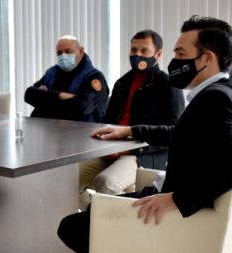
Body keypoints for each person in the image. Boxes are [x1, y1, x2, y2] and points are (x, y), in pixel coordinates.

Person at [57, 16, 232, 253]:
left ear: (206, 57)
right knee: (97, 212)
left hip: (181, 218)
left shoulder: (214, 100)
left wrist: (176, 199)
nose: (174, 61)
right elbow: (186, 134)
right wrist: (133, 130)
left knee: (72, 227)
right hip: (196, 209)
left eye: (180, 53)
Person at [78, 30, 184, 203]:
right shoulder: (122, 83)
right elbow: (109, 122)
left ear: (158, 54)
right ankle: (92, 220)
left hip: (145, 154)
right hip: (112, 150)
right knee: (68, 179)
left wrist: (130, 147)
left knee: (105, 182)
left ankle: (104, 223)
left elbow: (174, 132)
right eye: (134, 50)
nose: (137, 55)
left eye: (144, 51)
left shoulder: (169, 85)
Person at [24, 35, 108, 122]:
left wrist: (45, 98)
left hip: (82, 131)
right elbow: (29, 94)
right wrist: (59, 95)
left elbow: (84, 107)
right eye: (59, 53)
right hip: (49, 129)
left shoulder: (94, 77)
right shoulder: (51, 73)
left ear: (81, 51)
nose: (63, 56)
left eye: (68, 51)